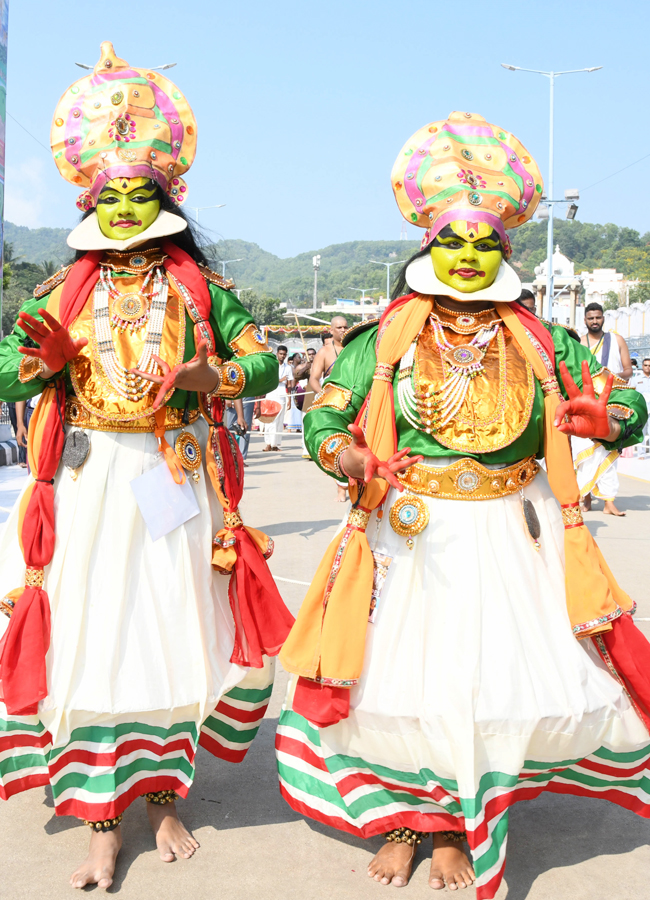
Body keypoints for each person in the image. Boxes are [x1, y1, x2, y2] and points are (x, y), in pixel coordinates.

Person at [276, 111, 649, 899]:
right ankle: (418, 820)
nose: (471, 256)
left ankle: (458, 820)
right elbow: (325, 415)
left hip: (511, 532)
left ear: (505, 252)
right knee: (401, 678)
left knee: (486, 679)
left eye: (486, 243)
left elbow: (626, 409)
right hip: (407, 532)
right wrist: (346, 454)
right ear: (429, 247)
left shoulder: (541, 338)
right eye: (455, 241)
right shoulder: (385, 340)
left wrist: (608, 418)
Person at [0, 43, 293, 891]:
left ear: (164, 199)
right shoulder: (62, 287)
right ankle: (100, 819)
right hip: (89, 484)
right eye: (111, 196)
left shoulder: (201, 286)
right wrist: (43, 359)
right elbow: (6, 368)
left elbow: (265, 362)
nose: (126, 208)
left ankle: (164, 794)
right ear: (89, 201)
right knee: (94, 637)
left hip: (173, 477)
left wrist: (213, 376)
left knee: (172, 632)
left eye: (141, 194)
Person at [573, 302, 633, 516]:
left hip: (613, 401)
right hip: (586, 403)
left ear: (603, 319)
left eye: (598, 317)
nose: (595, 321)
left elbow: (628, 369)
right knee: (585, 451)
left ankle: (609, 501)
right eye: (591, 318)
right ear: (585, 320)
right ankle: (585, 496)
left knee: (610, 447)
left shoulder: (616, 340)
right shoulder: (579, 343)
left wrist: (611, 377)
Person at [309, 318, 349, 499]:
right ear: (331, 330)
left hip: (354, 401)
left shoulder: (354, 349)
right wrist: (324, 395)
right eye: (339, 327)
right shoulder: (324, 352)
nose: (343, 330)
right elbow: (314, 379)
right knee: (339, 443)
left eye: (346, 327)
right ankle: (342, 486)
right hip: (332, 403)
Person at [263, 344, 293, 451]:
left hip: (282, 396)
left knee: (279, 421)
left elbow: (289, 384)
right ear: (277, 354)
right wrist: (280, 380)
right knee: (269, 419)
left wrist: (289, 399)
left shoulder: (288, 368)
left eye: (284, 354)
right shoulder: (271, 366)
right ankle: (268, 443)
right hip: (271, 394)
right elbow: (266, 381)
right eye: (280, 354)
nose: (282, 356)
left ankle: (275, 444)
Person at [633, 357, 650, 441]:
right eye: (646, 365)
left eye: (649, 365)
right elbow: (632, 393)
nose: (647, 367)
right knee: (641, 431)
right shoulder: (636, 379)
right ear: (642, 366)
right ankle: (641, 453)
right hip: (641, 410)